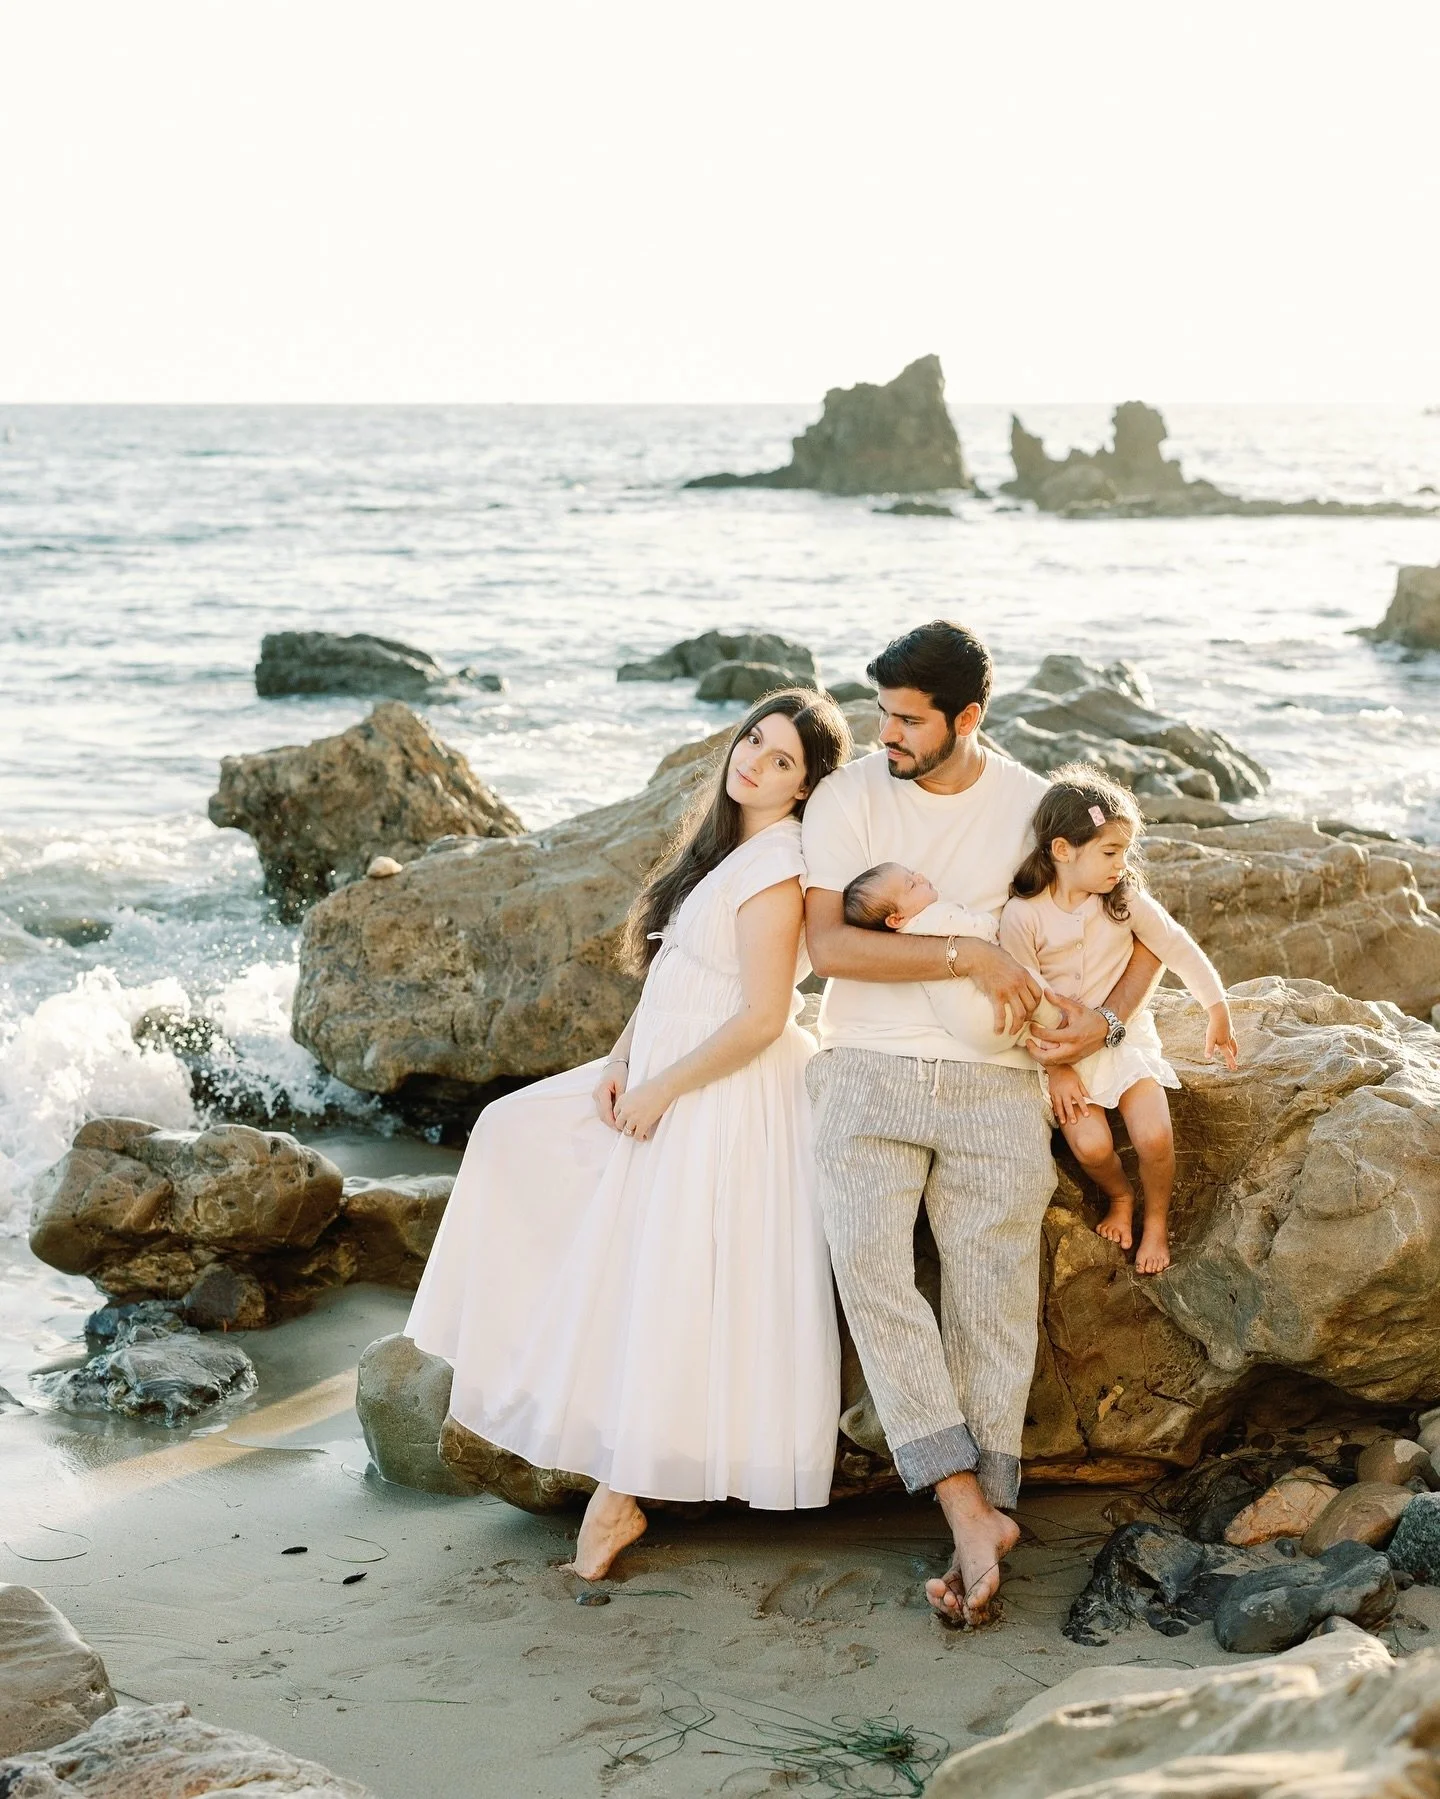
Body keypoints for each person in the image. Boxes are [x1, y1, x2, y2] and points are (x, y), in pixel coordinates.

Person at [406, 690, 851, 1582]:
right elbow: (676, 975)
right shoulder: (726, 850)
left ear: (805, 789)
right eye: (754, 739)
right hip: (655, 1067)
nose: (756, 761)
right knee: (507, 1133)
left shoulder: (777, 867)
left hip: (717, 1088)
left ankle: (619, 1496)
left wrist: (662, 1088)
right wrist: (619, 1058)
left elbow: (765, 1014)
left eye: (783, 760)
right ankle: (532, 1388)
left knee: (667, 1285)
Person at [802, 621, 1162, 1629]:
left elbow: (1145, 925)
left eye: (909, 718)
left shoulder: (1030, 807)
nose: (886, 735)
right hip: (865, 1068)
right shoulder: (847, 797)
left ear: (970, 717)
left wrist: (1110, 1020)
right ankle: (966, 1508)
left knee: (992, 1290)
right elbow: (830, 946)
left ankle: (990, 1516)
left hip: (998, 1079)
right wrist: (970, 954)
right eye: (881, 712)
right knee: (869, 1263)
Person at [1000, 765, 1238, 1276]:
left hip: (1121, 1039)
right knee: (1091, 1145)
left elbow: (1175, 944)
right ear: (1062, 850)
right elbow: (1023, 998)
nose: (1122, 865)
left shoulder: (1123, 900)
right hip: (1057, 1053)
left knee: (1153, 1134)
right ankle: (1119, 1196)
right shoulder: (1023, 917)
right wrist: (1058, 1069)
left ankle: (1155, 1219)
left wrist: (1215, 1006)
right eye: (1110, 853)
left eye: (1125, 851)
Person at [841, 860, 1064, 1049]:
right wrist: (992, 923)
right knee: (1030, 979)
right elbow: (977, 931)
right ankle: (1058, 1023)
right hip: (987, 1012)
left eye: (911, 873)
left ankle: (1029, 1038)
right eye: (911, 884)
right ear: (896, 919)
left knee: (1019, 1027)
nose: (919, 876)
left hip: (969, 1031)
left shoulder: (905, 942)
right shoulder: (932, 917)